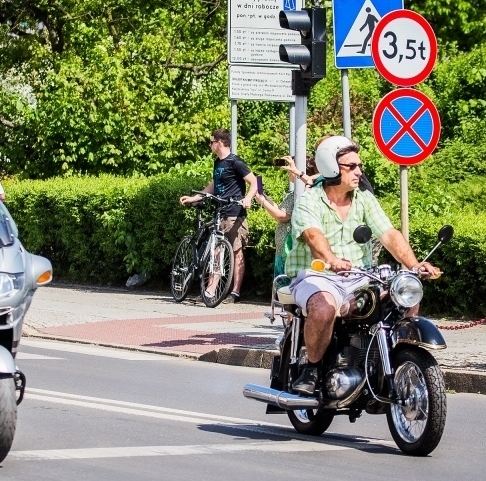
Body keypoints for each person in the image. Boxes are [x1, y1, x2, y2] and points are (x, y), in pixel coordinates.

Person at [285, 136, 437, 395]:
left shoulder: (363, 199)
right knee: (323, 308)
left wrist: (414, 264)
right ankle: (313, 368)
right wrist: (331, 259)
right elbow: (313, 236)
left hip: (360, 276)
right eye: (351, 166)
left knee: (405, 296)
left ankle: (394, 356)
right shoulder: (309, 201)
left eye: (359, 165)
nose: (359, 171)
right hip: (318, 276)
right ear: (332, 168)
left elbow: (388, 233)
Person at [179, 129, 258, 302]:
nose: (210, 144)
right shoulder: (218, 163)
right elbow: (213, 185)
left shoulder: (235, 162)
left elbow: (254, 182)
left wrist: (248, 198)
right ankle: (210, 290)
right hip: (220, 212)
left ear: (219, 143)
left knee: (236, 251)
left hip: (235, 213)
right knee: (216, 251)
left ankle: (235, 292)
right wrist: (195, 197)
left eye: (211, 141)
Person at [255, 155, 317, 277]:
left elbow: (283, 216)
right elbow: (281, 210)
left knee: (285, 285)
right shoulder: (296, 192)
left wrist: (263, 202)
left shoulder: (302, 193)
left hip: (288, 249)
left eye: (290, 170)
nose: (289, 174)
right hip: (284, 248)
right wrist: (267, 200)